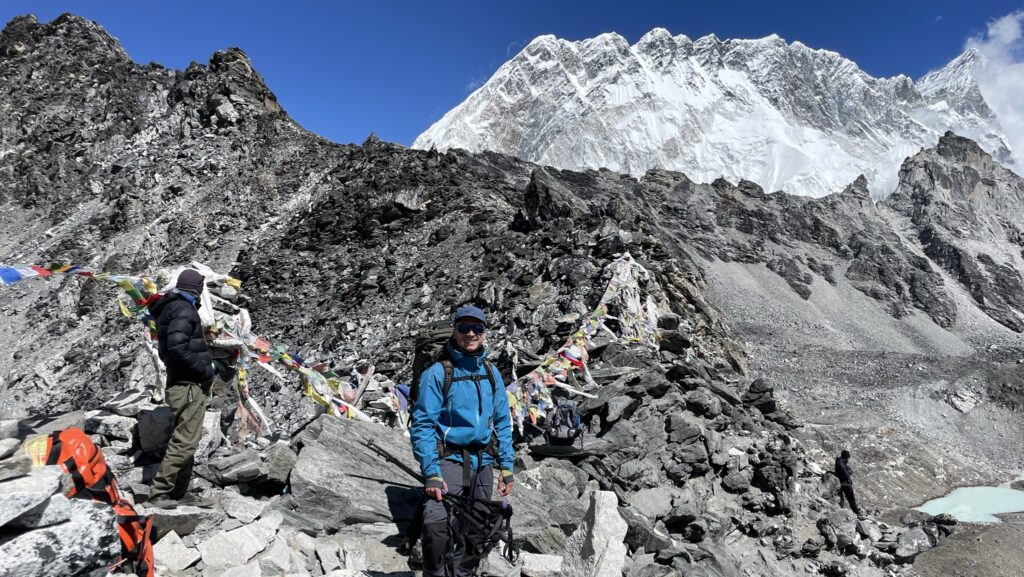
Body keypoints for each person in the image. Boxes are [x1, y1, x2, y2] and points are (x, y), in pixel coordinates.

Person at [409, 305, 515, 577]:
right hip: (448, 458)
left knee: (479, 528)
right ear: (454, 331)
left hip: (484, 461)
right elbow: (423, 424)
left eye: (477, 328)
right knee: (436, 523)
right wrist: (431, 472)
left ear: (484, 333)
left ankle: (463, 573)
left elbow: (503, 422)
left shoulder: (491, 374)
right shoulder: (438, 373)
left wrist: (506, 467)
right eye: (464, 328)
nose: (471, 333)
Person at [146, 269, 216, 509]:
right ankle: (160, 492)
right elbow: (177, 347)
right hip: (188, 384)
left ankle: (179, 491)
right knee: (185, 441)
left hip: (182, 383)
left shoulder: (171, 307)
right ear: (196, 289)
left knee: (188, 438)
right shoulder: (184, 310)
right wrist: (204, 371)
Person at [834, 449, 861, 516]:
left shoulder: (840, 462)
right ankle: (857, 512)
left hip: (844, 482)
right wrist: (849, 473)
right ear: (845, 457)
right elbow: (847, 474)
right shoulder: (841, 464)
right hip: (845, 483)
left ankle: (855, 510)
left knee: (851, 499)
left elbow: (849, 470)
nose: (848, 460)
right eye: (847, 458)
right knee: (851, 498)